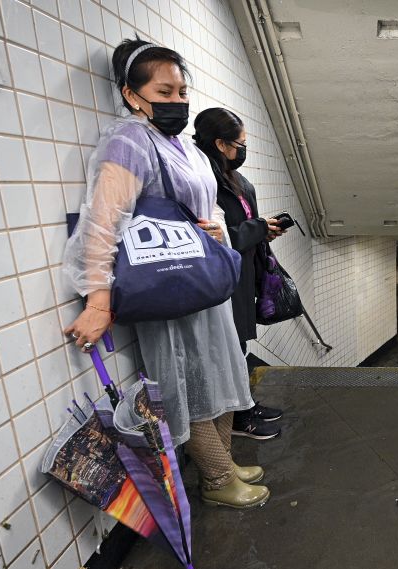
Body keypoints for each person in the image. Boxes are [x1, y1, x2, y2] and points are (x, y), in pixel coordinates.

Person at [61, 38, 270, 509]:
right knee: (191, 381)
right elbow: (102, 219)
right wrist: (99, 300)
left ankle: (225, 462)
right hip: (167, 283)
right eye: (164, 92)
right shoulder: (128, 141)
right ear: (133, 95)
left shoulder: (180, 146)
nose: (178, 101)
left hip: (201, 279)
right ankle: (217, 480)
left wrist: (213, 226)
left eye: (182, 91)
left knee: (218, 375)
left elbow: (205, 206)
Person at [193, 108, 287, 440]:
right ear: (220, 143)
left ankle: (245, 405)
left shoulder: (235, 179)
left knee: (241, 343)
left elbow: (238, 227)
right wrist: (256, 228)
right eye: (240, 143)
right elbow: (215, 234)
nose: (243, 150)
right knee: (229, 348)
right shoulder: (205, 180)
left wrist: (264, 230)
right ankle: (238, 417)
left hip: (244, 270)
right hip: (222, 277)